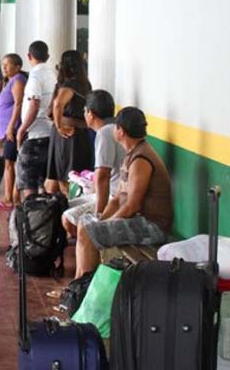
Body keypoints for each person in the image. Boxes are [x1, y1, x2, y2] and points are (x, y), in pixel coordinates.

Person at [74, 107, 174, 278]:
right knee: (85, 224)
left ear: (121, 131)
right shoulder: (132, 154)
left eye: (115, 126)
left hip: (152, 227)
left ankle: (82, 288)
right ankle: (77, 284)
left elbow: (132, 206)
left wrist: (106, 224)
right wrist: (102, 219)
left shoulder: (141, 159)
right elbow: (118, 198)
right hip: (138, 220)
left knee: (88, 233)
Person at [62, 90, 126, 236]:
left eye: (84, 110)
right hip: (111, 194)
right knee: (62, 206)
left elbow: (103, 175)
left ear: (90, 113)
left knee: (67, 218)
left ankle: (89, 246)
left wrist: (99, 214)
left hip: (113, 196)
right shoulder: (113, 129)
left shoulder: (105, 133)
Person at [46, 50, 93, 194]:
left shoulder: (69, 84)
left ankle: (67, 211)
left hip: (68, 134)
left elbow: (58, 104)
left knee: (66, 177)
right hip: (80, 132)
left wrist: (59, 126)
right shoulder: (85, 84)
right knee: (75, 176)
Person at [15, 41, 57, 200]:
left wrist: (22, 129)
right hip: (48, 132)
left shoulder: (35, 76)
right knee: (42, 182)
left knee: (28, 182)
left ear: (29, 56)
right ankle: (42, 219)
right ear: (47, 56)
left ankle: (31, 217)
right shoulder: (51, 74)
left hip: (34, 136)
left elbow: (34, 104)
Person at [0, 53, 27, 210]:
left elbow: (18, 105)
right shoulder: (10, 81)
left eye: (8, 65)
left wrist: (10, 126)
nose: (4, 68)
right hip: (7, 129)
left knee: (10, 163)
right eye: (3, 65)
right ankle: (12, 195)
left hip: (12, 130)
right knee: (9, 162)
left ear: (18, 67)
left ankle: (10, 197)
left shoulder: (18, 81)